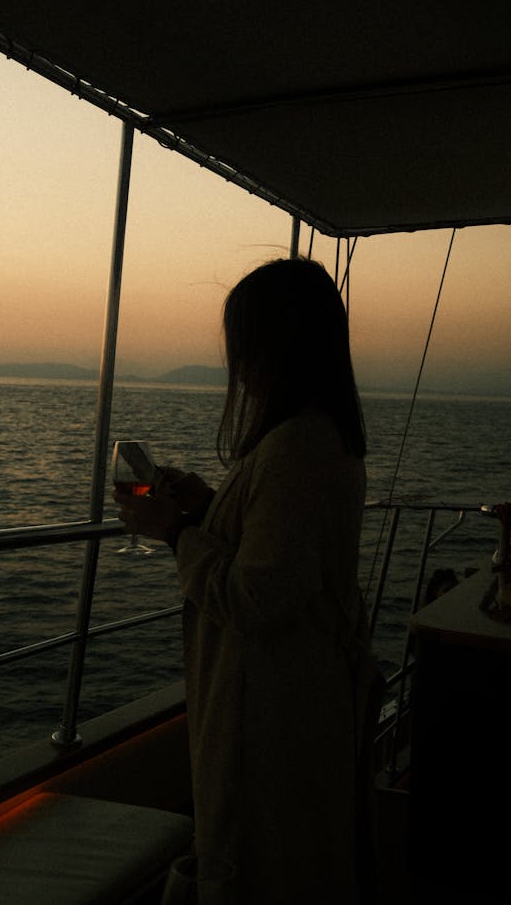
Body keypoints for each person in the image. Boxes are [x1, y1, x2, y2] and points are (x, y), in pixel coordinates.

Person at [114, 257, 381, 903]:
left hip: (269, 718)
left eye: (242, 345)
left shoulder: (296, 446)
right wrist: (210, 509)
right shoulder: (318, 438)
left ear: (275, 346)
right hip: (295, 700)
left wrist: (175, 531)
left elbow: (255, 595)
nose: (235, 364)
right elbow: (283, 553)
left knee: (262, 867)